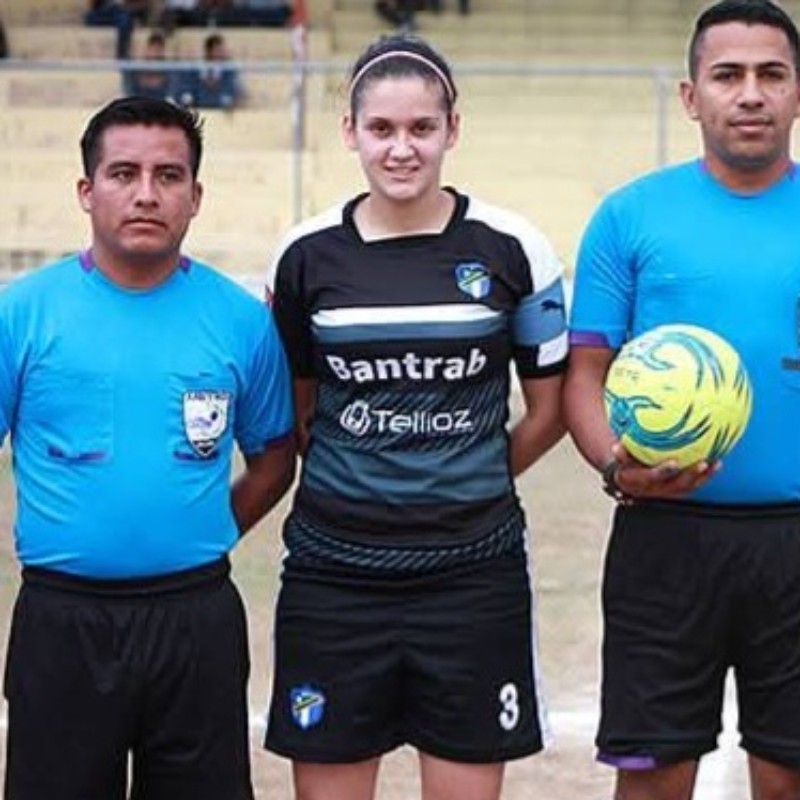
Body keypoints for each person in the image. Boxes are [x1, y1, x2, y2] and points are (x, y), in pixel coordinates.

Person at [264, 33, 568, 800]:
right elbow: (300, 409)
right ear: (350, 132)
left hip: (473, 576)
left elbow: (550, 409)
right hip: (334, 577)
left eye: (422, 128)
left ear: (452, 130)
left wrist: (469, 473)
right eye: (381, 129)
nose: (402, 149)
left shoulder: (514, 248)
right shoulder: (303, 255)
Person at [0, 96, 296, 800]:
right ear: (86, 190)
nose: (145, 193)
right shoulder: (21, 313)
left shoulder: (241, 321)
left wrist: (198, 531)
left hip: (197, 618)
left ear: (195, 196)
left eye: (168, 176)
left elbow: (275, 460)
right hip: (62, 620)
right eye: (123, 173)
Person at [563, 1, 800, 799]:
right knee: (655, 779)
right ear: (692, 96)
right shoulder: (630, 217)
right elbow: (585, 373)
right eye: (728, 75)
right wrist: (615, 465)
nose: (751, 93)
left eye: (772, 74)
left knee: (788, 778)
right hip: (664, 540)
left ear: (799, 92)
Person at [177, 32, 243, 110]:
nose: (222, 53)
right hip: (199, 109)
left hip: (222, 111)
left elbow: (237, 92)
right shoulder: (194, 69)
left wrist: (233, 103)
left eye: (222, 50)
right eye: (218, 50)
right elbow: (186, 92)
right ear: (208, 51)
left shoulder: (229, 70)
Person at [123, 29, 177, 100]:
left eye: (159, 48)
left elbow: (171, 89)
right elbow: (130, 89)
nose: (156, 51)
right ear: (148, 48)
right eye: (153, 48)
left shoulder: (169, 69)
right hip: (140, 101)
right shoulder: (137, 68)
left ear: (163, 50)